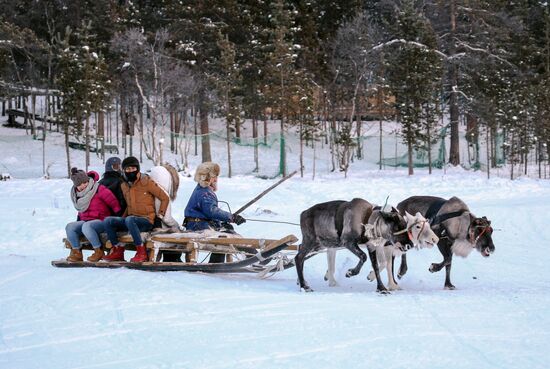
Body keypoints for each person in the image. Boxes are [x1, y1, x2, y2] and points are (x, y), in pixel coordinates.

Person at [102, 156, 169, 263]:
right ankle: (117, 251)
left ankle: (141, 252)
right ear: (124, 170)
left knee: (130, 219)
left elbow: (164, 198)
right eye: (128, 169)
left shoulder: (146, 181)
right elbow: (129, 206)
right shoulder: (124, 185)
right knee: (108, 221)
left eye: (133, 168)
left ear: (137, 168)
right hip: (131, 220)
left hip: (146, 220)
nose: (131, 171)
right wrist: (120, 220)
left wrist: (159, 216)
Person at [183, 162, 246, 263]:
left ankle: (216, 263)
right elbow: (212, 211)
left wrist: (220, 223)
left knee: (227, 233)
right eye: (214, 177)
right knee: (227, 237)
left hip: (198, 225)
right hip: (198, 226)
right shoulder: (205, 193)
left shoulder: (201, 190)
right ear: (206, 178)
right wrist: (232, 217)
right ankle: (257, 257)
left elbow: (207, 212)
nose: (216, 180)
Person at [65, 167, 121, 262]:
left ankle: (98, 251)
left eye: (85, 182)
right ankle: (77, 252)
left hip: (102, 221)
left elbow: (113, 202)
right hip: (86, 221)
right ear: (75, 186)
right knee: (70, 227)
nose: (83, 186)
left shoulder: (98, 188)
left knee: (87, 226)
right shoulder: (76, 195)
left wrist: (118, 219)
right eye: (79, 185)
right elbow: (81, 209)